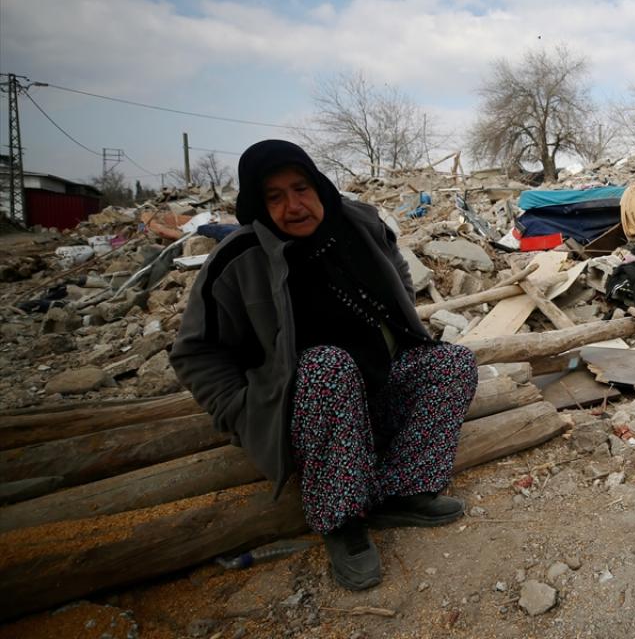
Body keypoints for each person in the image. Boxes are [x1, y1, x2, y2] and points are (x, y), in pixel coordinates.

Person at [170, 139, 477, 590]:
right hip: (305, 412)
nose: (293, 206)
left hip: (373, 392)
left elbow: (399, 273)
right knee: (327, 365)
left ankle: (400, 492)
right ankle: (342, 520)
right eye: (275, 197)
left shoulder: (360, 223)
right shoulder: (237, 260)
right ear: (257, 203)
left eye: (301, 188)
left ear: (319, 185)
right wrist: (241, 413)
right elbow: (196, 353)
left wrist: (401, 325)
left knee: (451, 361)